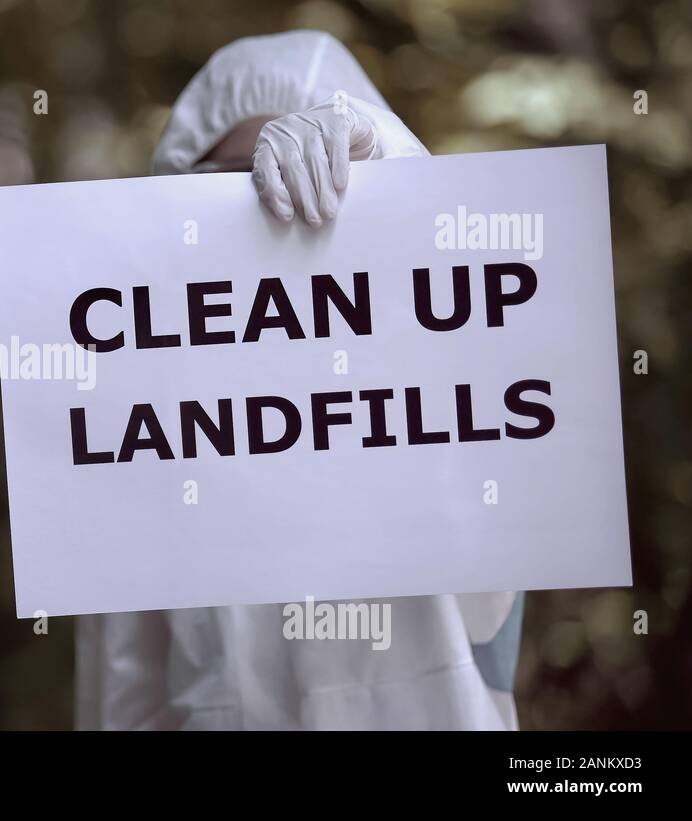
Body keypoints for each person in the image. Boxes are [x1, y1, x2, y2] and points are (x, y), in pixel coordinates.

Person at [75, 30, 524, 730]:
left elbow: (481, 340)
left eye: (312, 164)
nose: (272, 202)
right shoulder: (146, 419)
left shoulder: (433, 372)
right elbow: (124, 680)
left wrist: (383, 155)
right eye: (234, 178)